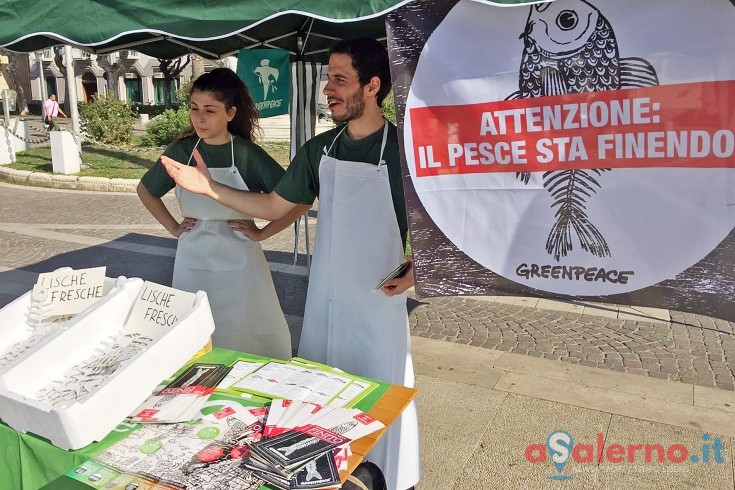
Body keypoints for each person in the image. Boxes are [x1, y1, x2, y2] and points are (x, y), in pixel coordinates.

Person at [161, 39, 421, 490]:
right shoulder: (320, 149)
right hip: (325, 297)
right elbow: (274, 202)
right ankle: (326, 477)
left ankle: (391, 477)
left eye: (339, 79)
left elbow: (442, 218)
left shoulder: (406, 148)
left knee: (383, 392)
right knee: (320, 396)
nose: (327, 90)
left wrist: (420, 267)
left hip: (379, 298)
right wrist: (208, 189)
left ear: (373, 85)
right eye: (327, 79)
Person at [137, 68, 298, 360]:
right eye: (194, 109)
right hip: (192, 259)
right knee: (195, 338)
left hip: (241, 263)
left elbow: (297, 201)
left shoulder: (248, 155)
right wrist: (173, 228)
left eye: (210, 110)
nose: (199, 117)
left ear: (230, 113)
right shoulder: (181, 151)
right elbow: (146, 190)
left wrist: (262, 233)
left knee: (245, 334)